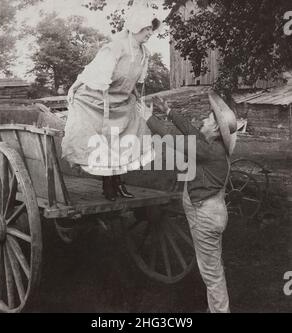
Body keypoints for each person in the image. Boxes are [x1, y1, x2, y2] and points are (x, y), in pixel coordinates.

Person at [138, 92, 237, 313]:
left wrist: (148, 118)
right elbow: (190, 130)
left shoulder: (209, 151)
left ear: (215, 131)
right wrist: (168, 111)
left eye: (210, 119)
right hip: (209, 211)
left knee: (212, 275)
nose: (204, 120)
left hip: (206, 215)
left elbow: (173, 139)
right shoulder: (211, 144)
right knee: (213, 268)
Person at [61, 2, 161, 201]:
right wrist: (73, 87)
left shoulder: (143, 53)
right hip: (97, 100)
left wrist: (136, 98)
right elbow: (94, 71)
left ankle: (119, 183)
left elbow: (131, 80)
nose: (150, 33)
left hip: (122, 101)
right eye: (147, 28)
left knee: (126, 139)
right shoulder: (116, 47)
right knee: (104, 141)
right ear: (136, 26)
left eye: (151, 29)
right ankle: (108, 184)